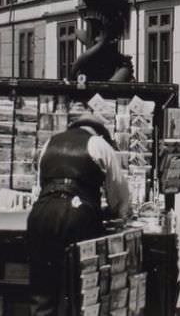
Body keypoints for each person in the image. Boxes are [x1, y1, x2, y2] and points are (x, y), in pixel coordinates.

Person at [27, 115, 130, 316]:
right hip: (77, 215)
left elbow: (39, 186)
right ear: (100, 132)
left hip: (41, 213)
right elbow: (119, 196)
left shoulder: (50, 142)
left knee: (43, 290)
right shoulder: (99, 144)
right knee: (78, 291)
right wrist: (116, 213)